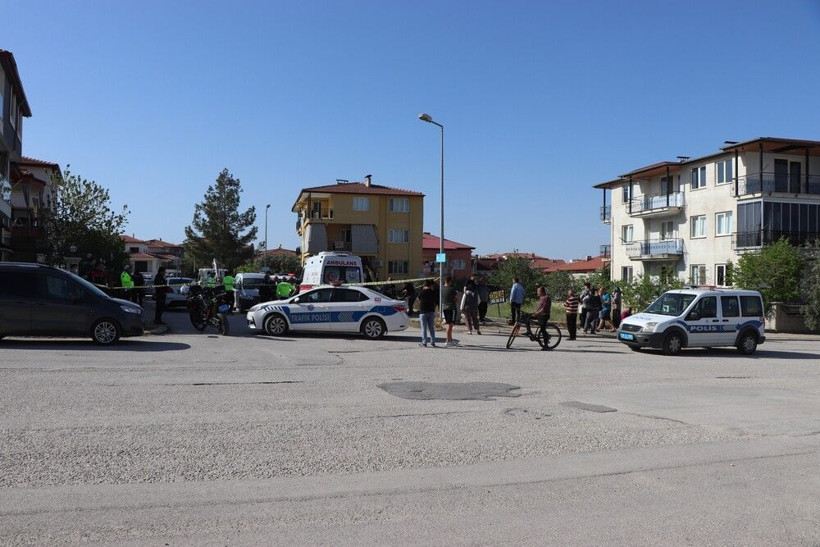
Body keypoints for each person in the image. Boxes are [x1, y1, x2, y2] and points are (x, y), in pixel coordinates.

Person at [530, 286, 552, 350]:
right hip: (539, 315)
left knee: (542, 329)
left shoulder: (546, 298)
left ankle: (546, 345)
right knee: (527, 317)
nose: (537, 293)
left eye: (538, 291)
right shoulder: (541, 298)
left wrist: (536, 314)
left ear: (541, 292)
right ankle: (529, 332)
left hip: (544, 315)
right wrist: (534, 314)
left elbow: (543, 309)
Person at [417, 279, 437, 347]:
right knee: (431, 327)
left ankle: (424, 342)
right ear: (430, 285)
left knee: (424, 328)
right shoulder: (433, 292)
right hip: (431, 311)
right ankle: (433, 341)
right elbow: (435, 301)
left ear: (424, 285)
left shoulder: (422, 292)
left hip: (423, 312)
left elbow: (418, 299)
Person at [440, 276, 458, 347]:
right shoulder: (452, 289)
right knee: (450, 325)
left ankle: (450, 339)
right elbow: (456, 299)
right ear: (450, 281)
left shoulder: (442, 289)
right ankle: (447, 340)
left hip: (445, 308)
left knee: (448, 323)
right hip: (451, 308)